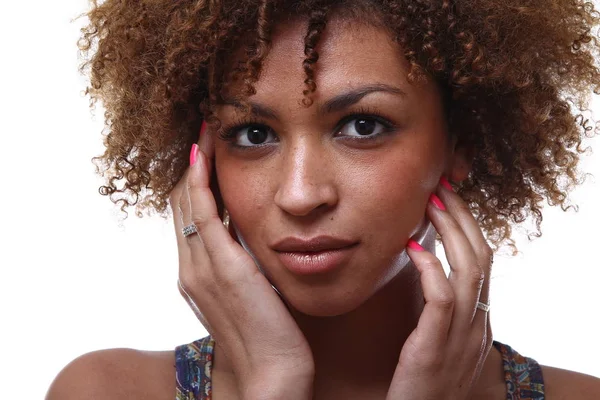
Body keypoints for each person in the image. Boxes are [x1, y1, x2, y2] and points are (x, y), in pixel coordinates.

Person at [46, 0, 600, 399]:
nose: (301, 194)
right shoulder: (104, 391)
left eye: (362, 126)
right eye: (254, 135)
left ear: (462, 141)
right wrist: (273, 386)